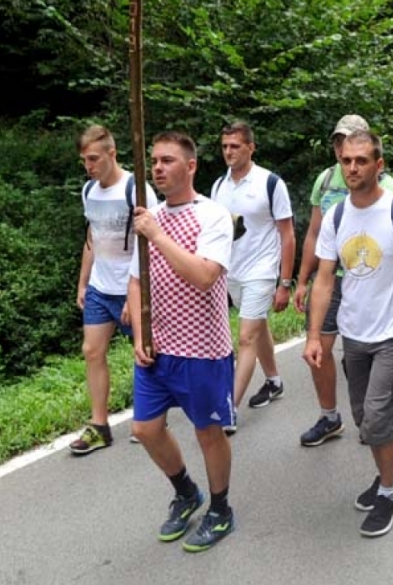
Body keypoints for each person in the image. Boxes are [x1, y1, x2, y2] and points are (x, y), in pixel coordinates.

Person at [303, 129, 393, 538]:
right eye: (346, 160)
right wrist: (313, 335)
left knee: (379, 420)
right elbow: (324, 279)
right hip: (354, 333)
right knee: (365, 419)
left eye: (361, 160)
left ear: (378, 165)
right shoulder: (336, 216)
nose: (352, 167)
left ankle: (389, 490)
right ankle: (383, 475)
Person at [128, 130, 236, 553]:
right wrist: (140, 334)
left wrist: (157, 236)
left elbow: (205, 276)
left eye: (167, 160)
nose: (158, 168)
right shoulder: (149, 217)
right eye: (154, 160)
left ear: (190, 166)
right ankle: (186, 492)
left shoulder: (212, 216)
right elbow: (135, 281)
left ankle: (221, 509)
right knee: (145, 428)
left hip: (202, 349)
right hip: (158, 349)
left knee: (208, 431)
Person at [294, 115, 393, 448]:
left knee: (368, 352)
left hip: (369, 280)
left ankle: (375, 415)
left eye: (351, 140)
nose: (343, 148)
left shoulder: (389, 186)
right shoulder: (326, 180)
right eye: (339, 141)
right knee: (319, 348)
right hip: (330, 278)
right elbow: (314, 233)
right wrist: (301, 280)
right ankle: (329, 416)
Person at [71, 124, 157, 455]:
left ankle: (151, 417)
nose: (89, 166)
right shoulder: (88, 191)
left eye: (94, 159)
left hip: (131, 285)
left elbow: (150, 243)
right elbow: (92, 238)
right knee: (92, 351)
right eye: (84, 160)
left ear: (112, 153)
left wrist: (136, 292)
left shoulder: (136, 190)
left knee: (145, 353)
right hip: (100, 286)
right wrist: (83, 282)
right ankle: (99, 426)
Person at [210, 121, 295, 425]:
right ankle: (274, 380)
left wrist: (284, 283)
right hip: (230, 271)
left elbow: (287, 234)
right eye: (225, 146)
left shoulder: (270, 183)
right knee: (257, 326)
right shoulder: (218, 187)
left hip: (261, 270)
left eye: (235, 146)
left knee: (246, 337)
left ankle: (228, 409)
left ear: (251, 148)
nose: (229, 152)